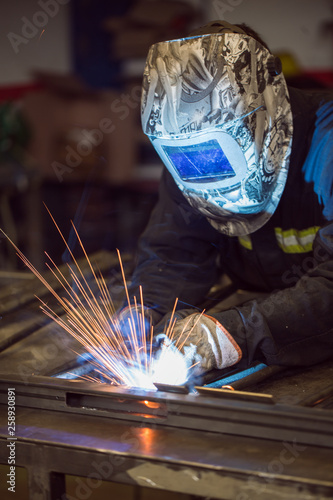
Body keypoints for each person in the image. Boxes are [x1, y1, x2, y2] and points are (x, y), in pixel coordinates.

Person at [118, 20, 333, 380]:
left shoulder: (327, 143)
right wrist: (146, 311)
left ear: (265, 116)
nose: (204, 171)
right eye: (187, 157)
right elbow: (175, 251)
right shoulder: (186, 153)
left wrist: (238, 331)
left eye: (213, 152)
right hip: (268, 310)